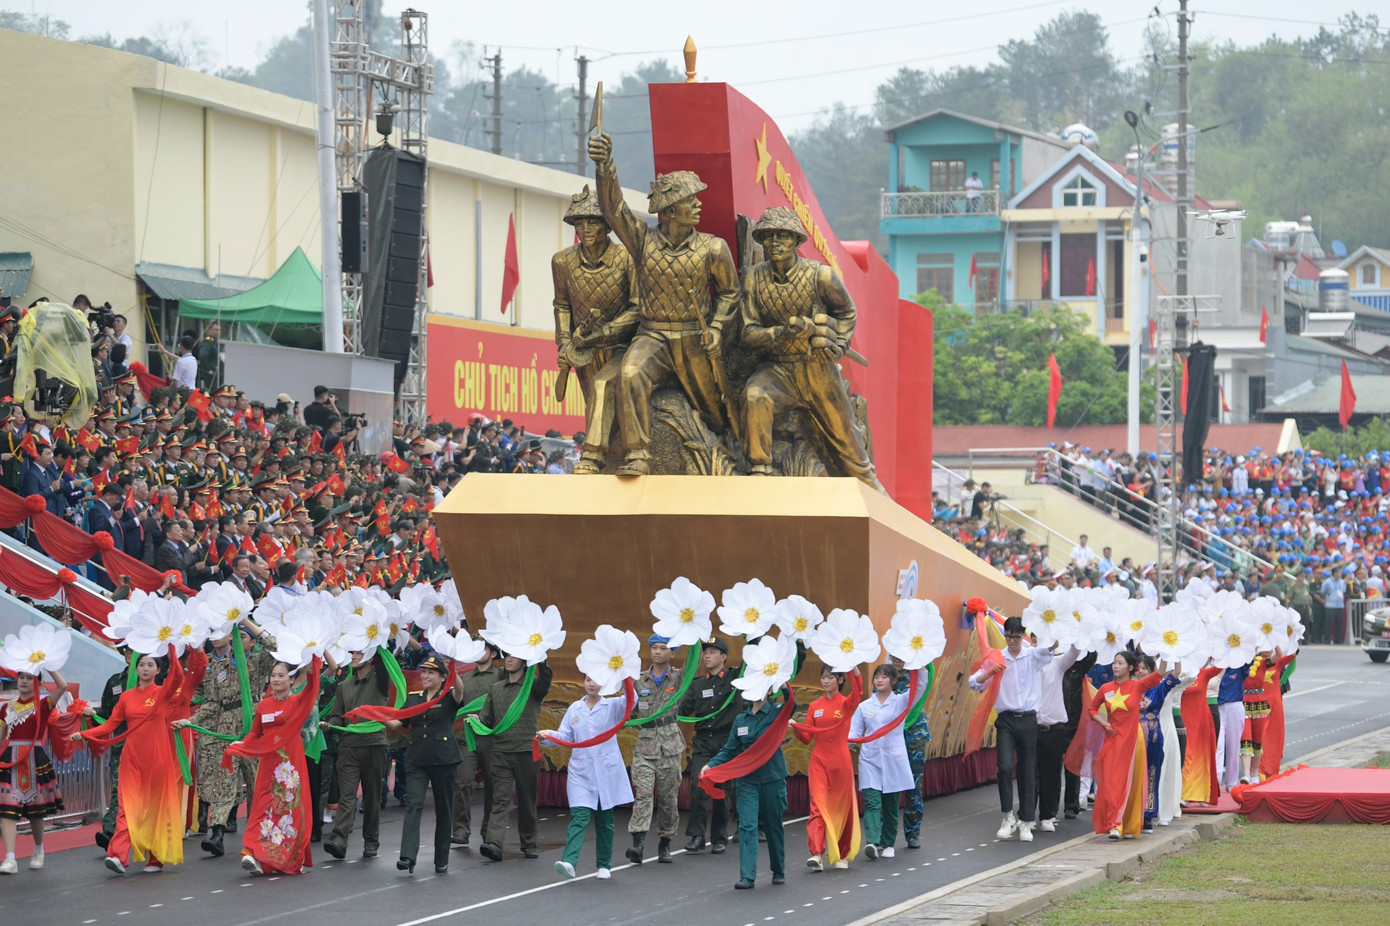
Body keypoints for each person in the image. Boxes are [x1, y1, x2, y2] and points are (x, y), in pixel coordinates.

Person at [588, 128, 741, 475]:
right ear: (670, 211)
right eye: (691, 200)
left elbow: (731, 293)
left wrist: (717, 328)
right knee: (630, 373)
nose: (699, 205)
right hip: (652, 335)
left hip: (694, 338)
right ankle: (638, 454)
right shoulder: (643, 241)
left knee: (714, 410)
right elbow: (613, 209)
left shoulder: (713, 248)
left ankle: (734, 456)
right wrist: (604, 165)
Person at [738, 207, 881, 488]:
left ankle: (870, 483)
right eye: (768, 236)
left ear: (797, 241)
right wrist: (780, 333)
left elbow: (847, 313)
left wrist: (835, 344)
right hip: (777, 368)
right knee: (755, 395)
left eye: (783, 236)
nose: (775, 243)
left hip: (816, 367)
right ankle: (759, 470)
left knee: (845, 432)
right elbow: (748, 333)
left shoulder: (821, 276)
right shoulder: (753, 278)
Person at [76, 649, 207, 874]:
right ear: (136, 669)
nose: (145, 669)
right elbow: (110, 725)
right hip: (132, 759)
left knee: (155, 809)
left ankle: (155, 858)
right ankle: (117, 855)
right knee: (127, 807)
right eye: (142, 665)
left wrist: (171, 647)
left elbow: (176, 675)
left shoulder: (163, 693)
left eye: (150, 665)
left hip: (157, 759)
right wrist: (87, 734)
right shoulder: (127, 696)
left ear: (158, 670)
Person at [550, 186, 639, 473]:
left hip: (622, 347)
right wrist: (563, 342)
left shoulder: (627, 259)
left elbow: (638, 308)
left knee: (603, 387)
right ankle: (610, 460)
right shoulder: (562, 261)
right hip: (583, 351)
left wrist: (607, 332)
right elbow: (562, 305)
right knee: (595, 405)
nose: (585, 229)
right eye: (579, 223)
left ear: (607, 225)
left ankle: (592, 456)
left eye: (592, 222)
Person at [177, 618, 276, 857]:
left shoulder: (258, 661)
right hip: (225, 727)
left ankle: (258, 834)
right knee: (224, 780)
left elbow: (274, 646)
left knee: (255, 783)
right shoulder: (218, 666)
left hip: (253, 726)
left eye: (243, 636)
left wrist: (246, 622)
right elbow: (212, 701)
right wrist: (192, 720)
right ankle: (217, 832)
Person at [223, 658, 321, 875]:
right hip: (268, 764)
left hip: (290, 767)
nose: (276, 679)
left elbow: (313, 686)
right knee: (263, 806)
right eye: (273, 676)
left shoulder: (297, 702)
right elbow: (255, 733)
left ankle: (287, 855)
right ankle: (252, 853)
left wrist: (314, 658)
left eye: (281, 675)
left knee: (289, 809)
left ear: (292, 679)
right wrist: (242, 744)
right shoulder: (264, 705)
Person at [539, 674, 635, 880]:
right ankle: (569, 862)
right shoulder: (575, 708)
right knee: (579, 817)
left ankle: (604, 865)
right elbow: (566, 736)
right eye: (588, 679)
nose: (592, 684)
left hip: (606, 771)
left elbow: (632, 700)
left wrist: (625, 675)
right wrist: (547, 736)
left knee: (605, 820)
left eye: (597, 679)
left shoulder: (613, 705)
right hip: (581, 772)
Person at [968, 616, 1054, 842]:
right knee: (1005, 767)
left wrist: (1054, 635)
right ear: (1004, 635)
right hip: (1005, 719)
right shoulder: (998, 658)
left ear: (1023, 636)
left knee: (1027, 770)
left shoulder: (1032, 656)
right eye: (1009, 636)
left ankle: (1026, 821)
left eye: (1016, 637)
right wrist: (988, 673)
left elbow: (1049, 651)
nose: (1012, 641)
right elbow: (973, 683)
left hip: (1028, 719)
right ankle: (1007, 816)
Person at [701, 685, 789, 890]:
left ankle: (778, 869)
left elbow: (790, 703)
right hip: (747, 780)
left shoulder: (777, 713)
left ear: (769, 691)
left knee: (773, 826)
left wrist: (785, 686)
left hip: (772, 778)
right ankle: (747, 876)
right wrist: (711, 765)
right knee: (747, 825)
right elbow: (730, 749)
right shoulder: (741, 720)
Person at [387, 654, 466, 875]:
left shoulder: (449, 696)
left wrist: (453, 668)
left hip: (444, 759)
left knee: (444, 809)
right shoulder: (414, 698)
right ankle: (407, 856)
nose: (425, 675)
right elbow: (398, 722)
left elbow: (460, 691)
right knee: (414, 805)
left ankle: (441, 858)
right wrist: (376, 715)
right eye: (424, 672)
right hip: (417, 760)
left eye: (431, 672)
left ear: (443, 677)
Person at [474, 652, 553, 862]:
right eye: (507, 656)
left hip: (526, 751)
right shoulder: (495, 689)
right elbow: (487, 719)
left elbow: (545, 681)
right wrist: (477, 720)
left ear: (525, 662)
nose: (508, 659)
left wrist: (541, 658)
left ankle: (529, 843)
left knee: (527, 800)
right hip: (500, 752)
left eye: (514, 656)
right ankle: (494, 844)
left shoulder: (532, 687)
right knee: (499, 800)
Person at [1087, 651, 1168, 839]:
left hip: (1131, 743)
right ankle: (1114, 824)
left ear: (1131, 668)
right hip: (1111, 742)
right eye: (1114, 663)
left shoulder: (1137, 687)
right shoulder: (1106, 688)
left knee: (1129, 783)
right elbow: (1092, 708)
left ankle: (1128, 824)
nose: (1115, 666)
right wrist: (1103, 723)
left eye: (1120, 663)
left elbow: (1160, 674)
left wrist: (1165, 651)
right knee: (1110, 783)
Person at [322, 648, 391, 860]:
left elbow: (385, 665)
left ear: (371, 657)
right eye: (352, 653)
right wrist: (329, 725)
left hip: (374, 745)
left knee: (371, 797)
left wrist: (375, 642)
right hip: (349, 747)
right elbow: (337, 717)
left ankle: (371, 840)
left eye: (359, 653)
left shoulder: (380, 681)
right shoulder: (343, 687)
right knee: (347, 796)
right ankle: (339, 839)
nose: (353, 657)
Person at [792, 664, 861, 871]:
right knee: (817, 807)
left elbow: (858, 691)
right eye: (823, 677)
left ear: (840, 680)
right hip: (819, 761)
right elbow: (806, 738)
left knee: (842, 809)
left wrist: (853, 667)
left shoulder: (846, 704)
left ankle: (841, 853)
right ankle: (817, 853)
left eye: (831, 677)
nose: (826, 681)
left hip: (841, 763)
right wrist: (796, 727)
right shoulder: (815, 706)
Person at [0, 666, 68, 874]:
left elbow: (63, 686)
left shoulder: (43, 705)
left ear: (37, 682)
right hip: (10, 759)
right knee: (7, 809)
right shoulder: (5, 708)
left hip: (34, 759)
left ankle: (38, 849)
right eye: (21, 677)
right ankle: (10, 858)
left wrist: (49, 666)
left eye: (30, 678)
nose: (24, 681)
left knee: (35, 810)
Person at [625, 633, 684, 865]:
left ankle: (665, 841)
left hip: (670, 744)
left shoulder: (678, 678)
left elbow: (693, 664)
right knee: (643, 794)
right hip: (645, 744)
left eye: (663, 648)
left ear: (672, 652)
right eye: (654, 648)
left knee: (669, 799)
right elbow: (629, 710)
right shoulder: (638, 681)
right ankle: (637, 844)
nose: (658, 652)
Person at [678, 635, 737, 854]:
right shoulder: (697, 684)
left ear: (723, 656)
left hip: (724, 742)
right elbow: (683, 710)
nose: (707, 656)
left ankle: (719, 837)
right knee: (698, 787)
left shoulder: (734, 679)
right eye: (705, 652)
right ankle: (697, 835)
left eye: (712, 652)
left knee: (721, 790)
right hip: (703, 741)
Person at [850, 664, 916, 859]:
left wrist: (919, 665)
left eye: (884, 677)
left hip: (893, 759)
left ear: (894, 681)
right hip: (870, 759)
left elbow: (920, 688)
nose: (879, 680)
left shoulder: (901, 701)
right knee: (871, 802)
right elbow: (854, 732)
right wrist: (848, 742)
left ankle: (888, 844)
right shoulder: (864, 706)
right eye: (877, 676)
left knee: (890, 805)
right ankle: (872, 841)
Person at [452, 641, 503, 848]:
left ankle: (489, 831)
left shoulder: (501, 677)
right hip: (467, 738)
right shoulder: (463, 679)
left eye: (484, 649)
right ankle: (461, 830)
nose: (479, 653)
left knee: (494, 786)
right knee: (462, 782)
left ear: (492, 653)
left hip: (493, 738)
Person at [1034, 644, 1082, 832]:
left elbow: (1075, 652)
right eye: (1036, 640)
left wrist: (1076, 626)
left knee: (1051, 774)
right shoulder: (1028, 663)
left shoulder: (1058, 663)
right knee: (1029, 774)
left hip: (1054, 729)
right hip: (1031, 727)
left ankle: (1048, 815)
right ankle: (1027, 816)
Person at [1134, 655, 1181, 834]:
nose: (1140, 672)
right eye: (1137, 668)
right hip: (1132, 737)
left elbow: (1176, 672)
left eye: (1144, 668)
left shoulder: (1158, 688)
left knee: (1151, 773)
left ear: (1152, 670)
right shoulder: (1130, 688)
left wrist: (1173, 652)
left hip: (1152, 738)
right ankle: (1130, 816)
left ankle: (1147, 816)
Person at [890, 654, 931, 849]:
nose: (898, 659)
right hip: (890, 736)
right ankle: (885, 835)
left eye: (901, 655)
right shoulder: (884, 676)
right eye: (894, 655)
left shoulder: (918, 675)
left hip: (914, 735)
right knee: (889, 787)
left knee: (914, 787)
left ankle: (913, 832)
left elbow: (927, 667)